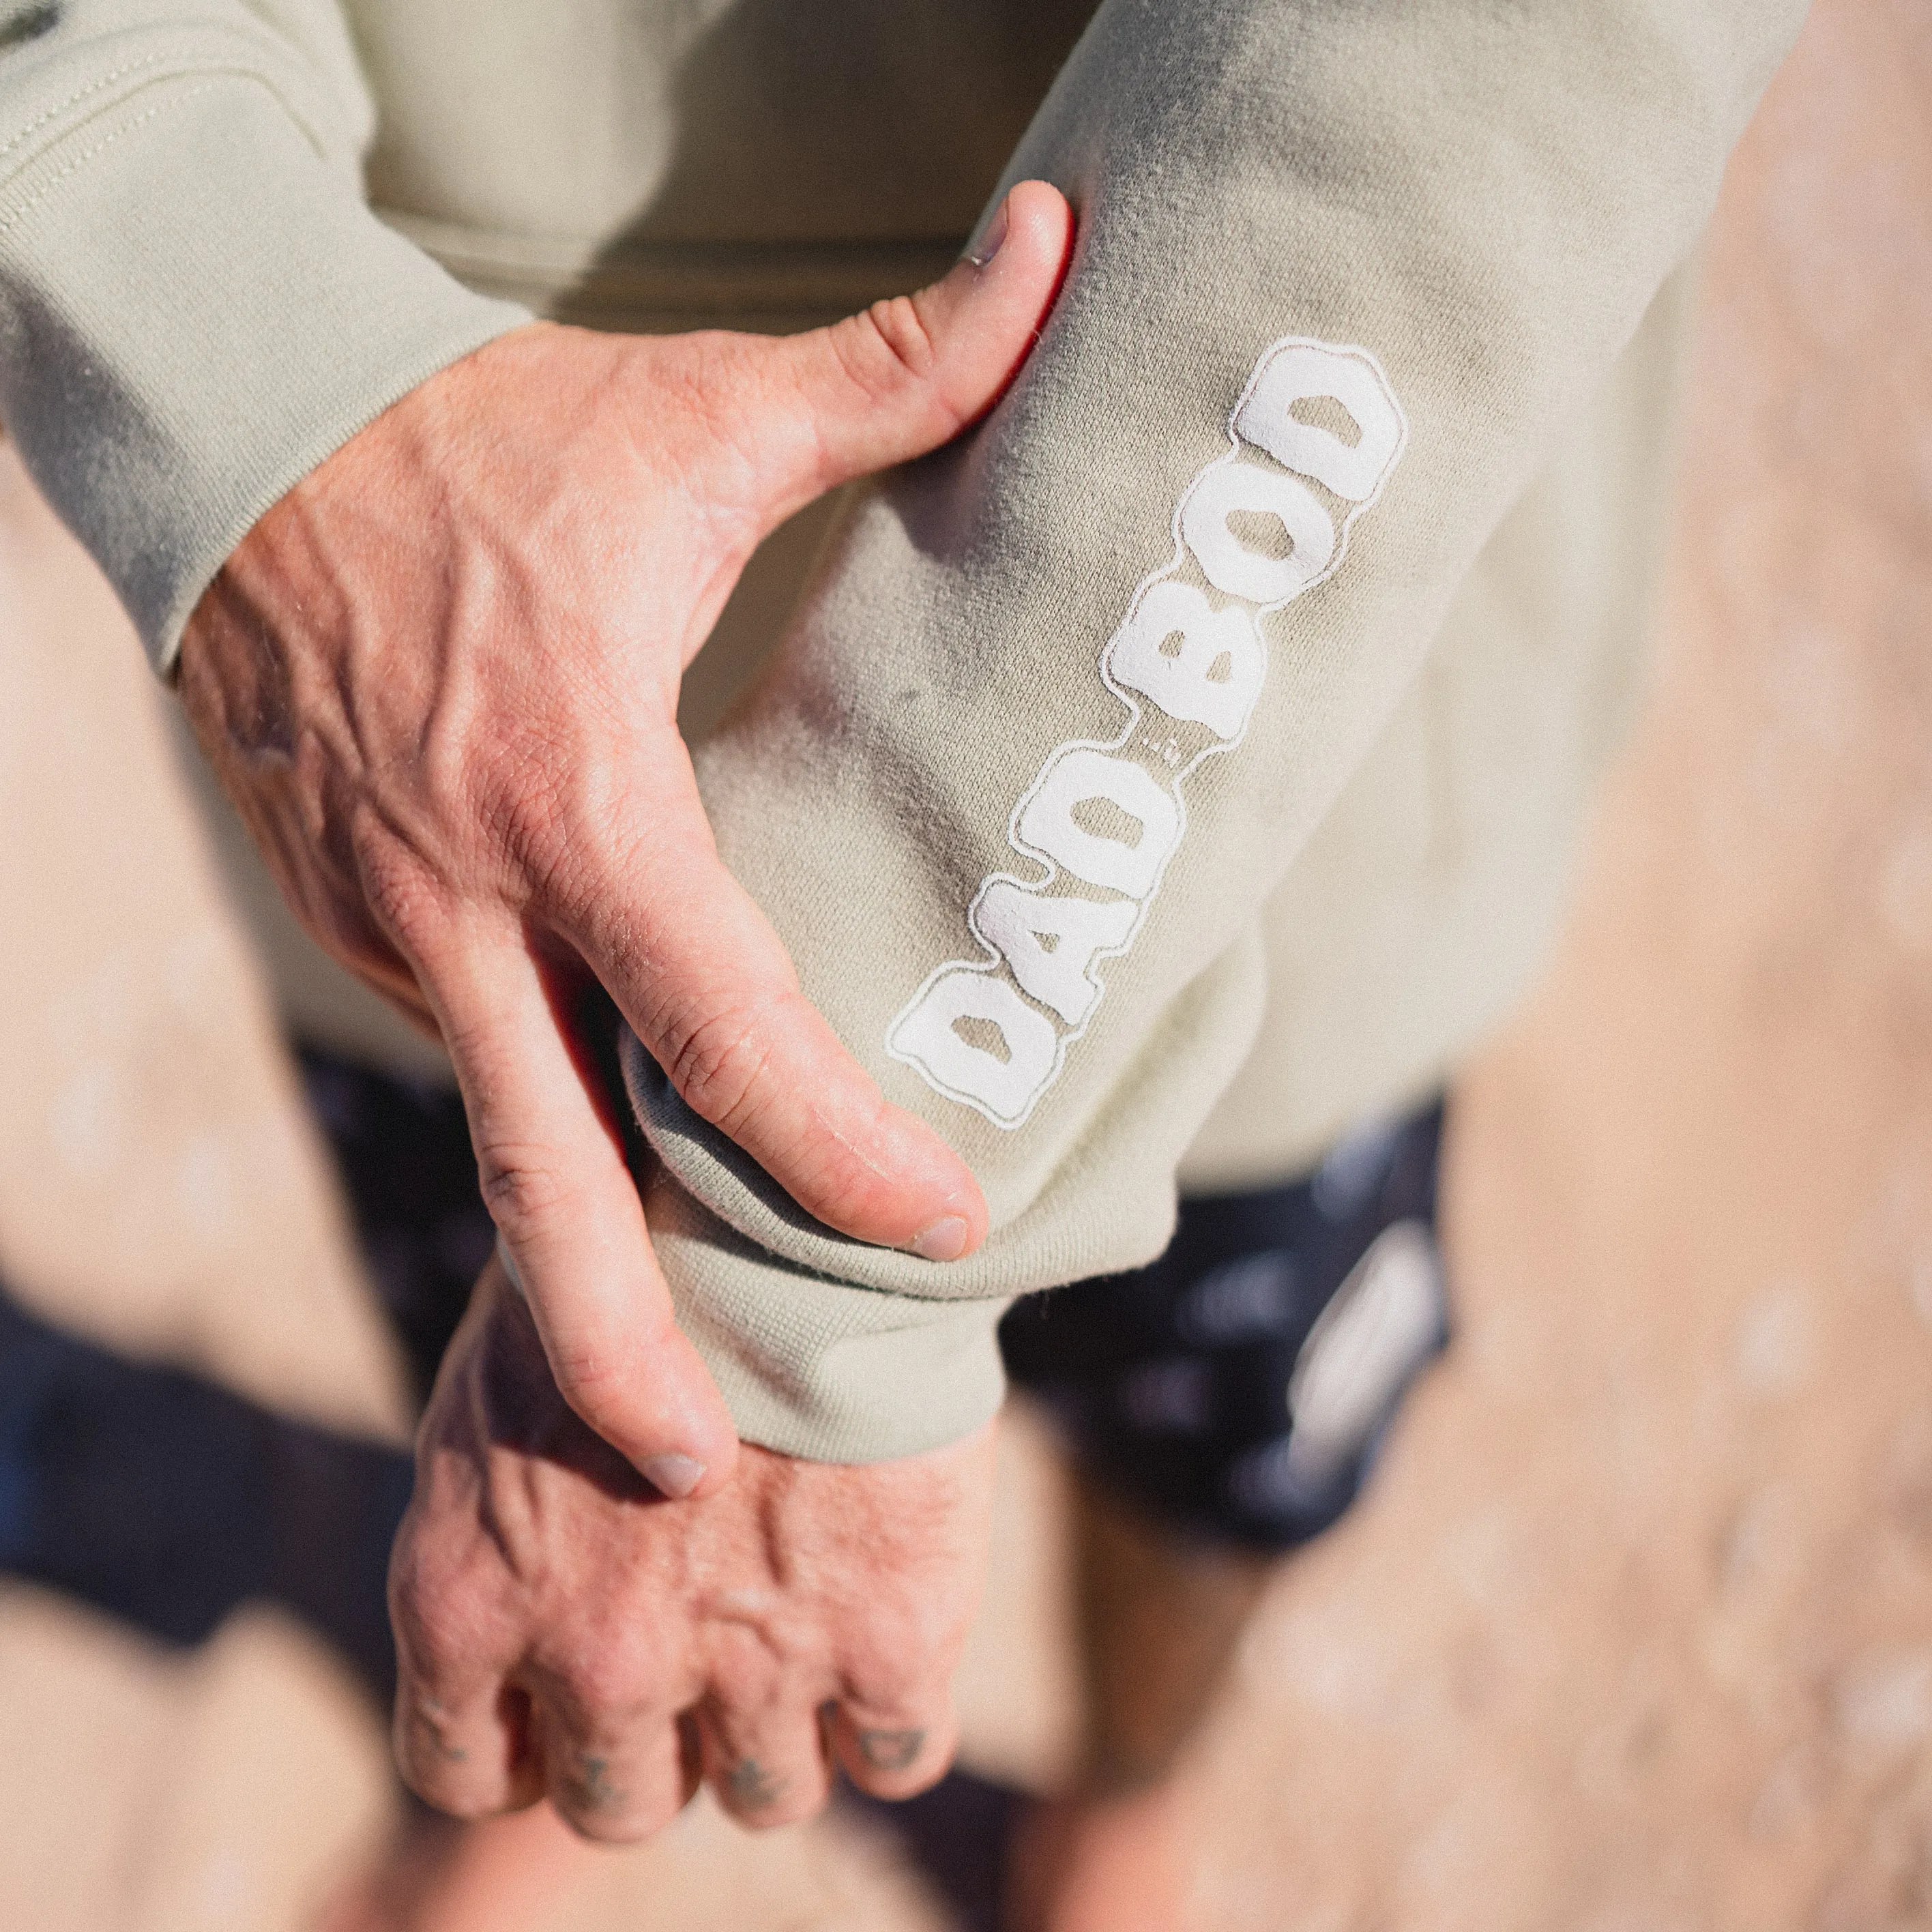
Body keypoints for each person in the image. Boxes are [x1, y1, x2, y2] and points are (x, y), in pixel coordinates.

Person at [0, 1, 1808, 1926]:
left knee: (1206, 1462)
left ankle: (1120, 1797)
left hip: (1257, 805)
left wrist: (797, 1237)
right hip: (413, 719)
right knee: (503, 1352)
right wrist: (234, 339)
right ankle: (552, 1726)